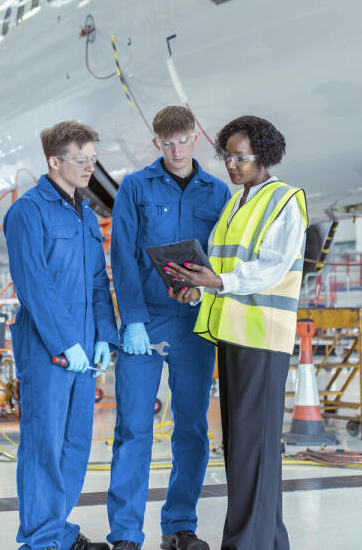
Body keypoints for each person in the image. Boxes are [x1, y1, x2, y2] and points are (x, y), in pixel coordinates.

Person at [164, 116, 305, 550]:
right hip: (234, 335)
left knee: (252, 450)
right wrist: (196, 288)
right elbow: (221, 268)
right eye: (227, 155)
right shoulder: (237, 201)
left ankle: (247, 543)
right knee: (244, 448)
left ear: (263, 156)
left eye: (239, 157)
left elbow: (270, 268)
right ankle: (269, 540)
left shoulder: (284, 200)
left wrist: (217, 282)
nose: (230, 164)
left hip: (262, 339)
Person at [106, 107, 230, 550]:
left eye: (183, 140)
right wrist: (133, 320)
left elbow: (224, 260)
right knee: (133, 429)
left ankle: (180, 526)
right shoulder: (135, 188)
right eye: (167, 143)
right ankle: (124, 534)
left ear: (196, 136)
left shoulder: (218, 194)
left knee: (192, 428)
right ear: (156, 142)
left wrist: (205, 295)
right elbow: (123, 256)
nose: (176, 151)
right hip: (147, 321)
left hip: (195, 324)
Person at [4, 120, 120, 550]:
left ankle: (56, 529)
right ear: (55, 161)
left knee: (75, 444)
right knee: (43, 445)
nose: (90, 166)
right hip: (47, 347)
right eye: (80, 159)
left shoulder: (86, 214)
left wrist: (105, 336)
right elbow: (34, 282)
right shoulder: (27, 212)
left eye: (92, 158)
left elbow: (96, 280)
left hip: (86, 347)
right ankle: (40, 539)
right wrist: (63, 342)